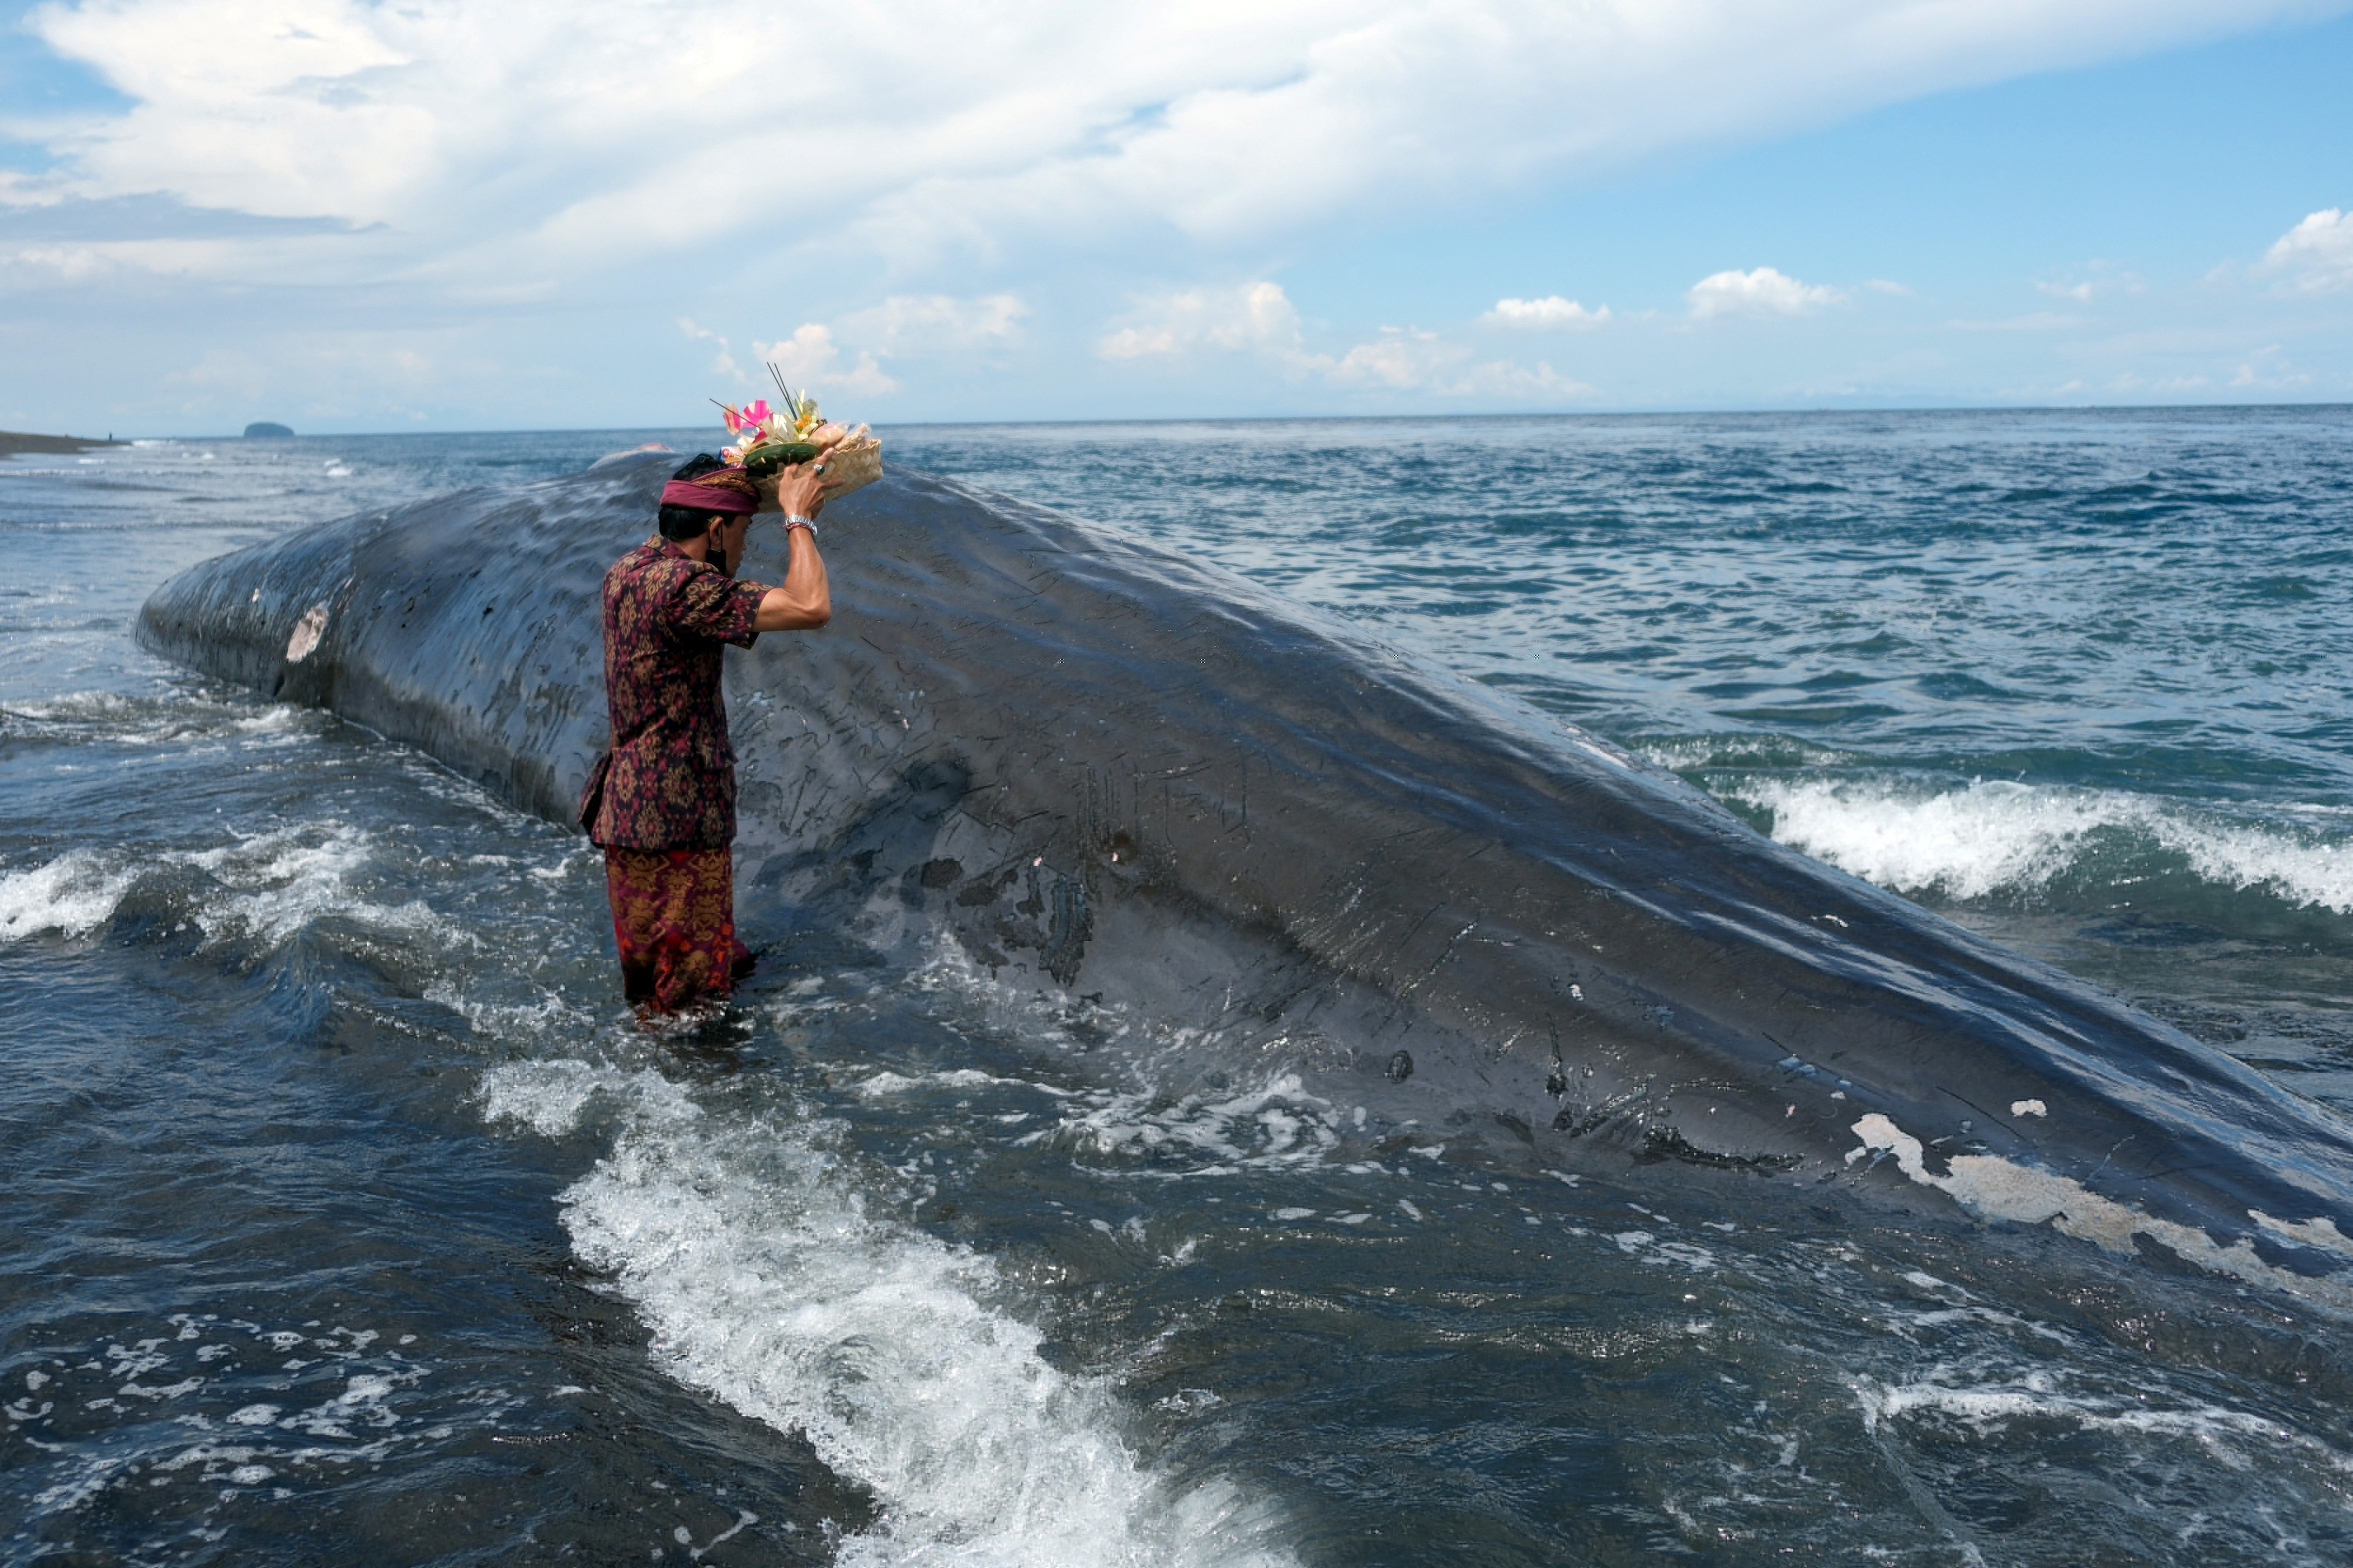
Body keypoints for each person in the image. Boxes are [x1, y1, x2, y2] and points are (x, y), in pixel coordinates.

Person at [576, 453, 831, 1016]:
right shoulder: (684, 587)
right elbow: (812, 607)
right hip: (678, 821)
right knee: (689, 1005)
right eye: (742, 532)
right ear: (716, 530)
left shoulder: (628, 570)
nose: (743, 549)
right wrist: (797, 519)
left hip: (630, 812)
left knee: (659, 993)